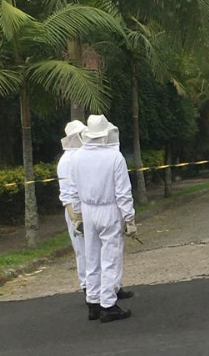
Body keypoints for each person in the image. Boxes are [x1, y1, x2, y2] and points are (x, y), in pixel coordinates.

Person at [70, 115, 137, 322]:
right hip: (109, 210)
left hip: (88, 211)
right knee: (110, 257)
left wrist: (77, 215)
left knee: (92, 255)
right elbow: (123, 192)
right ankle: (108, 304)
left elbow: (73, 189)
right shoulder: (114, 157)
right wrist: (130, 219)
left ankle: (93, 302)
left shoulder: (77, 156)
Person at [57, 120, 87, 296]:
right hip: (75, 211)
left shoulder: (80, 157)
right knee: (82, 250)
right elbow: (66, 194)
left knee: (94, 250)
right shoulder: (66, 161)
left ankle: (106, 287)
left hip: (87, 208)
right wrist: (76, 218)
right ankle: (87, 287)